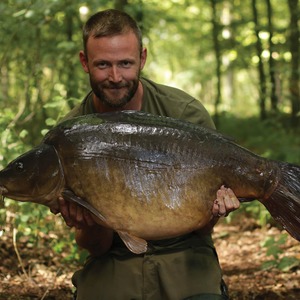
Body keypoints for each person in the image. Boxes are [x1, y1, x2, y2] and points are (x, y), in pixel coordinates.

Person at [55, 9, 240, 300]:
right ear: (84, 62)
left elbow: (202, 231)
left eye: (125, 64)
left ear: (142, 58)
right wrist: (89, 221)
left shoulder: (184, 113)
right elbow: (97, 246)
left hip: (184, 253)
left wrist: (213, 211)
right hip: (113, 261)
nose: (115, 77)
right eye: (103, 64)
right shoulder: (70, 135)